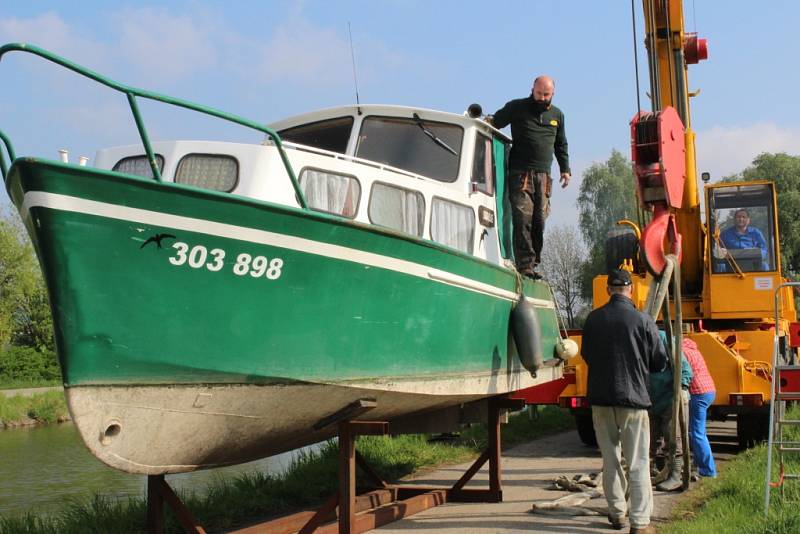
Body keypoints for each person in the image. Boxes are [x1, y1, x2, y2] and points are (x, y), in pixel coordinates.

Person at [582, 269, 668, 533]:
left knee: (610, 460)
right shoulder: (643, 321)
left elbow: (586, 355)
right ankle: (639, 522)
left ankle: (617, 513)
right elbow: (659, 362)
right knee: (639, 462)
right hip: (633, 401)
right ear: (631, 289)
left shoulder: (593, 320)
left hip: (601, 401)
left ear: (609, 290)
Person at [487, 75, 570, 279]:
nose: (542, 98)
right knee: (523, 217)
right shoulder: (517, 107)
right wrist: (485, 123)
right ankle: (524, 265)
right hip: (520, 173)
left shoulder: (557, 115)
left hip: (544, 176)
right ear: (532, 89)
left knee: (539, 220)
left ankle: (534, 262)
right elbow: (495, 122)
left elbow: (561, 144)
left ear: (553, 93)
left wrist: (565, 169)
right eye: (539, 93)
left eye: (546, 94)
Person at [649, 331, 692, 492]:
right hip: (651, 398)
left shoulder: (663, 338)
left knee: (673, 437)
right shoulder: (635, 341)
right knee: (653, 438)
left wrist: (681, 387)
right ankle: (660, 471)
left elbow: (685, 370)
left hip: (671, 398)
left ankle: (675, 475)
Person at [682, 338, 718, 478]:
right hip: (709, 390)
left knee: (696, 433)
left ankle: (708, 470)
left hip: (698, 392)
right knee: (698, 431)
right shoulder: (692, 349)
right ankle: (697, 464)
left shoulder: (681, 352)